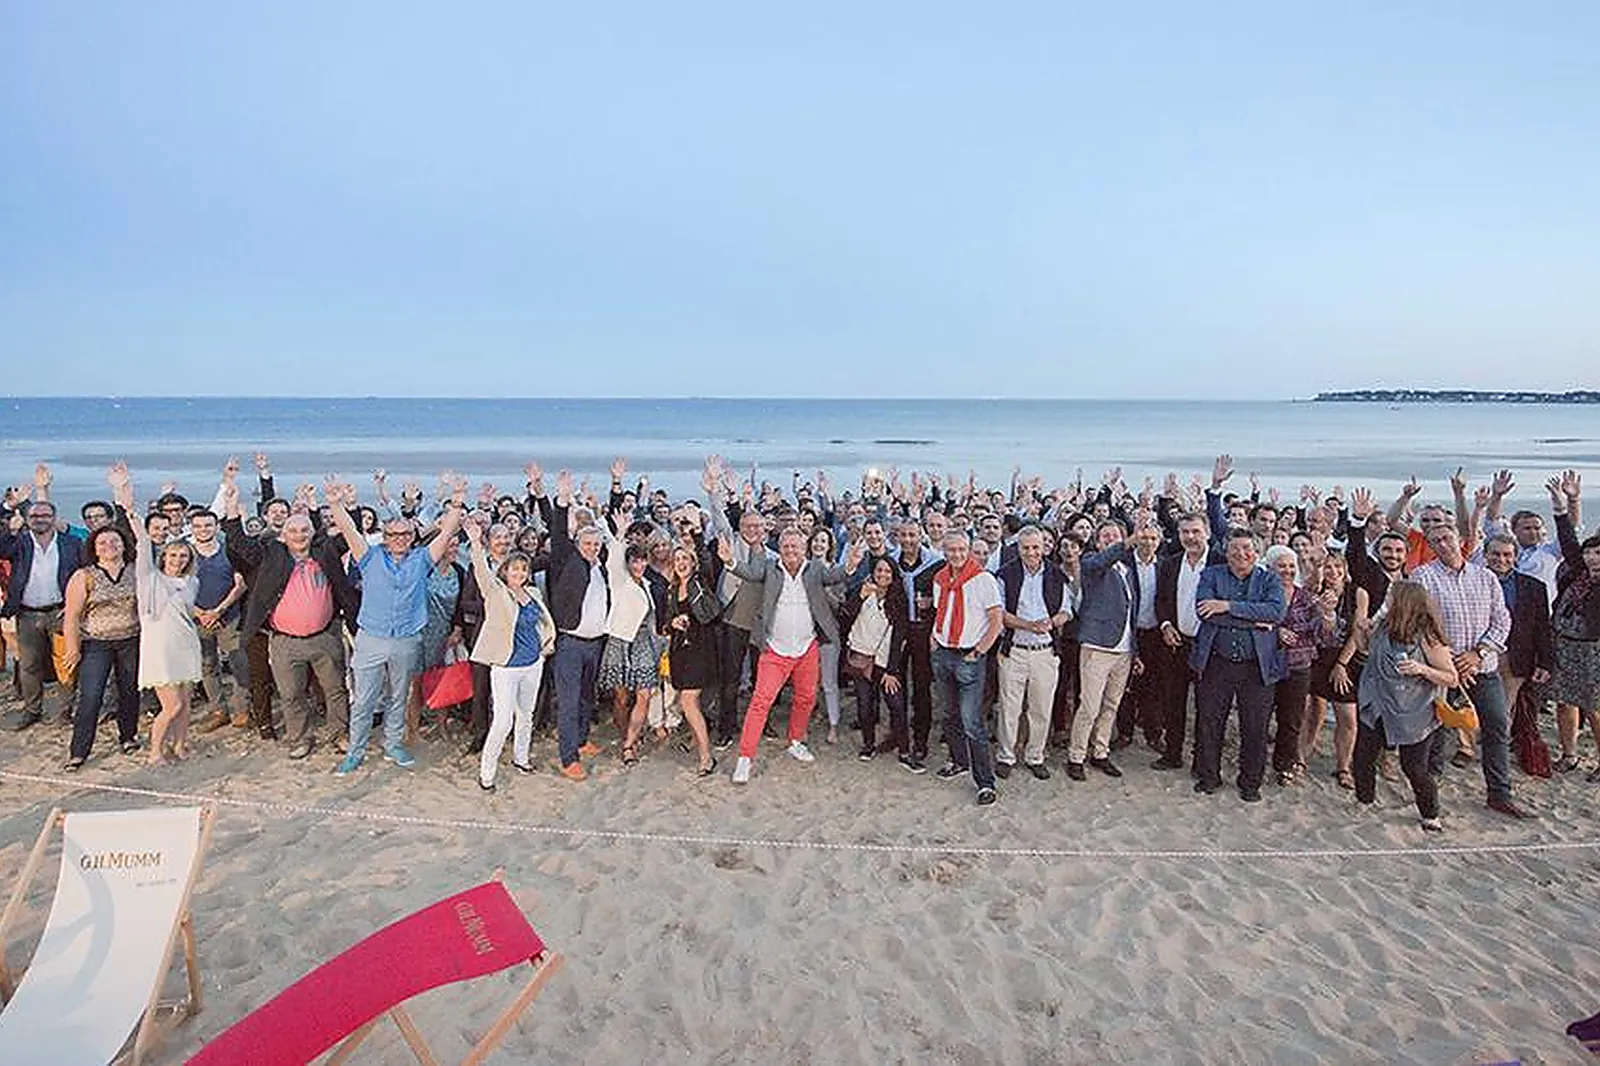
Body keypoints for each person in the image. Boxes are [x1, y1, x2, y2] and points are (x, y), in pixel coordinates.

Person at [326, 477, 464, 774]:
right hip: (371, 638)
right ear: (384, 537)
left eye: (404, 534)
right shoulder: (369, 557)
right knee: (363, 699)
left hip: (406, 639)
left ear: (412, 537)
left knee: (398, 696)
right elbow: (349, 530)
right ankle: (356, 750)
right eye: (393, 534)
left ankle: (392, 745)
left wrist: (457, 498)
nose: (399, 538)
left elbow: (448, 531)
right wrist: (336, 503)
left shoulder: (422, 560)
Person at [716, 527, 861, 785]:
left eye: (795, 546)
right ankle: (745, 758)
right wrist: (729, 560)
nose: (790, 551)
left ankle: (795, 740)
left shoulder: (814, 569)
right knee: (761, 702)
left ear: (803, 548)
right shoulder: (770, 568)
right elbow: (749, 572)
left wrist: (850, 565)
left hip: (806, 647)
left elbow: (833, 575)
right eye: (785, 546)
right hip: (774, 649)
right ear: (779, 548)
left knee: (805, 698)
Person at [227, 485, 359, 760]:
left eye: (304, 531)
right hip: (285, 641)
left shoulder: (325, 553)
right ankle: (299, 738)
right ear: (282, 535)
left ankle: (339, 734)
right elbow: (238, 543)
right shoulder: (271, 555)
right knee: (290, 694)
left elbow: (351, 534)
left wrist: (348, 502)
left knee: (335, 690)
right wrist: (232, 506)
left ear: (313, 533)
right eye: (293, 531)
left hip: (325, 637)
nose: (299, 535)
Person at [1411, 523, 1525, 819]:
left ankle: (1499, 794)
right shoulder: (1423, 576)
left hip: (1482, 667)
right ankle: (1429, 790)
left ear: (1460, 540)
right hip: (1441, 669)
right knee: (1433, 730)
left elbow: (1502, 621)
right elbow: (1419, 623)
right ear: (1431, 546)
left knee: (1497, 725)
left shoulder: (1485, 577)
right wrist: (1446, 658)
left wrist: (1477, 653)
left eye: (1447, 538)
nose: (1443, 544)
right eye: (1435, 541)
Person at [111, 465, 202, 766]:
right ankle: (154, 752)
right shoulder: (148, 577)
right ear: (164, 557)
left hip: (186, 643)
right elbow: (142, 539)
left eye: (183, 556)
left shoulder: (192, 581)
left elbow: (188, 613)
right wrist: (127, 499)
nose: (178, 559)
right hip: (159, 648)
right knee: (171, 704)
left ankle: (180, 745)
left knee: (186, 702)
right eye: (173, 555)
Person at [1352, 581, 1460, 832]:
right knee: (1363, 757)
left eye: (1391, 596)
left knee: (1413, 767)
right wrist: (1361, 624)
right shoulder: (1384, 625)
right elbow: (1363, 648)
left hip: (1415, 710)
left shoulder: (1428, 636)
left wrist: (1422, 669)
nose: (1387, 600)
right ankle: (1364, 799)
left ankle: (1431, 813)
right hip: (1378, 702)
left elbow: (1451, 677)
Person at [1191, 528, 1288, 801]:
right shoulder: (1212, 574)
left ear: (1256, 552)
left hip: (1256, 666)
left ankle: (1250, 783)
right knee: (1210, 722)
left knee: (1255, 727)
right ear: (1227, 551)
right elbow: (1203, 611)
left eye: (1246, 548)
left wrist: (1226, 606)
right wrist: (1252, 620)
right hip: (1216, 662)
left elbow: (1275, 612)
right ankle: (1209, 777)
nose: (1241, 554)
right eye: (1235, 548)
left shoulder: (1269, 579)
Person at [465, 521, 555, 790]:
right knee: (503, 721)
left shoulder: (533, 593)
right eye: (514, 568)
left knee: (525, 714)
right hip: (506, 665)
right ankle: (487, 773)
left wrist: (544, 647)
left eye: (523, 569)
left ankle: (521, 758)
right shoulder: (496, 592)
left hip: (533, 662)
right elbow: (481, 570)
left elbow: (542, 621)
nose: (519, 572)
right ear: (505, 572)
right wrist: (475, 541)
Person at [544, 471, 612, 781]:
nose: (591, 547)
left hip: (595, 643)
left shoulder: (600, 566)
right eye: (586, 543)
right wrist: (563, 499)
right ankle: (567, 757)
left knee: (587, 697)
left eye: (595, 543)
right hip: (570, 643)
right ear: (577, 543)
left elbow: (614, 540)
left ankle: (582, 741)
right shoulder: (567, 560)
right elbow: (558, 534)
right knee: (569, 701)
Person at [930, 530, 1004, 805]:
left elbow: (996, 621)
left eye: (961, 549)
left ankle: (985, 782)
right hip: (943, 653)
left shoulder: (983, 580)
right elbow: (941, 613)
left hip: (969, 656)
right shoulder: (940, 579)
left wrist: (978, 652)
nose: (956, 555)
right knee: (949, 714)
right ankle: (958, 760)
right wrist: (934, 640)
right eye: (951, 550)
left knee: (972, 721)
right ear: (944, 551)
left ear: (969, 549)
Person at [60, 523, 142, 770]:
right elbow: (72, 616)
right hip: (96, 643)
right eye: (103, 543)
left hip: (130, 639)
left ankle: (128, 737)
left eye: (115, 541)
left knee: (129, 692)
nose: (110, 546)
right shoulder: (84, 576)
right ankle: (79, 751)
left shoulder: (135, 571)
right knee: (91, 696)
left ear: (124, 545)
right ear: (94, 549)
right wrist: (72, 648)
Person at [994, 526, 1073, 779]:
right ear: (1018, 548)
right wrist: (1028, 625)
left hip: (1045, 652)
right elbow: (1000, 614)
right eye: (1026, 547)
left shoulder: (1057, 575)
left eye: (1035, 547)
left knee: (1041, 708)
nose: (1031, 552)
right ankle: (1006, 755)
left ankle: (1035, 756)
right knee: (1009, 706)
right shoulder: (1005, 574)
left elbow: (1066, 611)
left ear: (1043, 547)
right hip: (1014, 650)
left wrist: (1051, 623)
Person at [0, 496, 83, 731]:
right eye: (35, 516)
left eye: (45, 515)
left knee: (66, 663)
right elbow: (1, 549)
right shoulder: (20, 542)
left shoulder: (71, 543)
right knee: (29, 665)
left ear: (54, 518)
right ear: (27, 519)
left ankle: (65, 710)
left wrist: (75, 605)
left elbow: (83, 574)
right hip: (27, 614)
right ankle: (32, 710)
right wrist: (11, 529)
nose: (40, 520)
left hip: (60, 613)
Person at [1066, 520, 1141, 782]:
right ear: (1098, 542)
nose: (1110, 539)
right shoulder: (1090, 563)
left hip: (1123, 650)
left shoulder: (1127, 570)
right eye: (1106, 536)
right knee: (1089, 705)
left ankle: (1100, 751)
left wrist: (1135, 651)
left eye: (1115, 536)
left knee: (1111, 705)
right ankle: (1076, 756)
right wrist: (1127, 542)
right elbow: (1101, 562)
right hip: (1097, 646)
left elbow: (1132, 613)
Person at [1481, 531, 1556, 772]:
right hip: (1480, 652)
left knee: (1504, 707)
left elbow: (1542, 627)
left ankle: (1498, 749)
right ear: (1485, 555)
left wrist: (1545, 662)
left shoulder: (1534, 587)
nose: (1501, 559)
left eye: (1507, 555)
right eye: (1495, 554)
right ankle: (1467, 746)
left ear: (1515, 557)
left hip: (1516, 655)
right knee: (1472, 704)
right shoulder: (1473, 581)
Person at [1546, 472, 1600, 781]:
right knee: (1564, 701)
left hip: (1592, 651)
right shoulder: (1577, 574)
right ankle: (1569, 754)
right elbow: (1568, 541)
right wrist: (1561, 505)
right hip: (1564, 644)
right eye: (1589, 552)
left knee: (1594, 707)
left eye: (1598, 553)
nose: (1592, 557)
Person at [1152, 511, 1215, 771]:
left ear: (1207, 533)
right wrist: (1165, 625)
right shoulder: (1170, 563)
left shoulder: (1220, 562)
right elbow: (1161, 600)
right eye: (1185, 532)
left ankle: (1202, 761)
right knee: (1173, 702)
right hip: (1176, 644)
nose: (1190, 537)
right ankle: (1172, 754)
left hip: (1208, 647)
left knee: (1207, 707)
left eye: (1196, 531)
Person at [599, 511, 662, 767]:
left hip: (644, 643)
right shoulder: (619, 580)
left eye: (643, 561)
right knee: (622, 698)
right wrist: (621, 533)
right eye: (635, 561)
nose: (639, 565)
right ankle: (626, 734)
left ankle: (628, 745)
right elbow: (614, 556)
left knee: (644, 694)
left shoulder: (647, 583)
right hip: (620, 641)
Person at [1302, 552, 1369, 789]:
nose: (1332, 571)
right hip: (1317, 657)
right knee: (1312, 711)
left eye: (1336, 566)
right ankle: (1301, 758)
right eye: (1327, 567)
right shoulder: (1314, 592)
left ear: (1344, 568)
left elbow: (1357, 632)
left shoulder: (1357, 594)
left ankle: (1343, 766)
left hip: (1345, 659)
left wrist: (1341, 664)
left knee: (1348, 717)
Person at [840, 555, 912, 766]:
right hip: (861, 657)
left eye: (887, 571)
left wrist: (891, 669)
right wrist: (859, 597)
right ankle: (868, 744)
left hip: (885, 662)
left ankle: (904, 750)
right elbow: (844, 617)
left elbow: (900, 636)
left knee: (896, 706)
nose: (883, 575)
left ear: (894, 575)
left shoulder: (898, 598)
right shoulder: (863, 591)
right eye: (879, 570)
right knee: (864, 705)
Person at [1264, 544, 1323, 785]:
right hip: (1266, 663)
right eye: (1281, 566)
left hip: (1298, 665)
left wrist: (1327, 615)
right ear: (1270, 568)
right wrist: (1276, 631)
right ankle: (1256, 761)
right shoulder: (1261, 594)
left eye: (1291, 566)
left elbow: (1321, 635)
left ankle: (1284, 764)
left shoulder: (1306, 597)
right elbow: (1252, 622)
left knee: (1291, 719)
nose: (1287, 571)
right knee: (1260, 716)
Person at [662, 541, 721, 776]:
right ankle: (698, 740)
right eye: (677, 560)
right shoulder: (673, 589)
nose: (681, 563)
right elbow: (667, 620)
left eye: (685, 558)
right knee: (690, 702)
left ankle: (706, 757)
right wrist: (672, 623)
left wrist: (695, 536)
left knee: (688, 701)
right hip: (681, 650)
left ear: (693, 561)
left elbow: (707, 560)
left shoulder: (700, 581)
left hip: (701, 649)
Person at [189, 507, 249, 734]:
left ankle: (241, 708)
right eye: (198, 526)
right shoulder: (185, 553)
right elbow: (175, 588)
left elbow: (240, 584)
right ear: (192, 529)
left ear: (216, 527)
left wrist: (218, 610)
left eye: (207, 525)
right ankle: (218, 710)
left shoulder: (229, 551)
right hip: (197, 620)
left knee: (239, 664)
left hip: (229, 617)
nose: (203, 530)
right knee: (208, 665)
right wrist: (200, 613)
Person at [892, 519, 942, 764]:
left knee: (922, 686)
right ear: (897, 537)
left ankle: (920, 740)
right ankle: (898, 734)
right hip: (898, 631)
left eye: (913, 534)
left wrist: (931, 604)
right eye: (904, 535)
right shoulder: (891, 562)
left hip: (923, 630)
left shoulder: (936, 563)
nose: (908, 540)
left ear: (920, 535)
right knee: (894, 684)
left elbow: (945, 601)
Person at [808, 526, 845, 745]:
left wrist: (825, 589)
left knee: (829, 682)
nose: (819, 544)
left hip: (828, 634)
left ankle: (833, 725)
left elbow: (839, 605)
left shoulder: (836, 571)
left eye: (824, 541)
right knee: (809, 683)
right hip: (805, 633)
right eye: (816, 540)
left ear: (830, 545)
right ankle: (811, 715)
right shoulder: (802, 569)